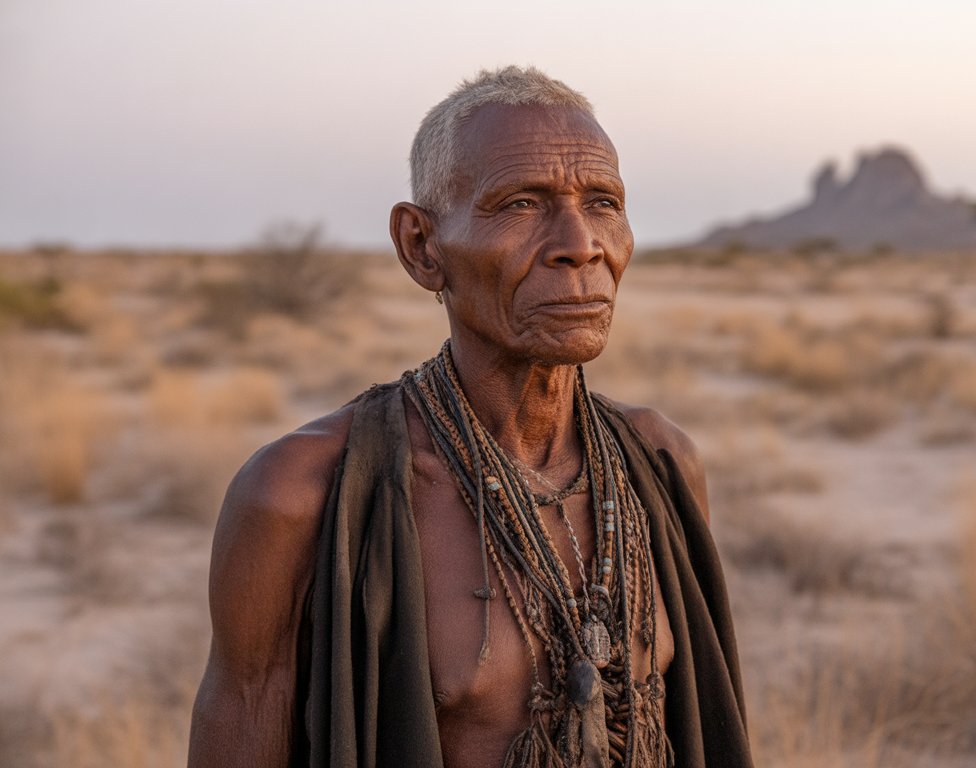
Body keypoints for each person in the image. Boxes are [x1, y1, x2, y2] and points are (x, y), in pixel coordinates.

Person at [187, 66, 753, 768]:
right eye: (521, 204)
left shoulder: (660, 464)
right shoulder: (299, 492)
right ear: (421, 246)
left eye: (603, 202)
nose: (581, 243)